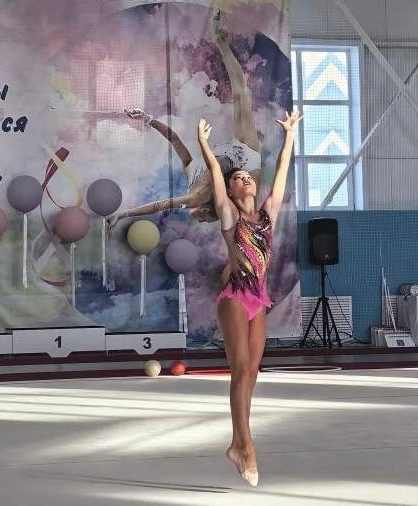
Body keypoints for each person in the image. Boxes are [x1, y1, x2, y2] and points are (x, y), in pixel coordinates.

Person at [197, 110, 302, 487]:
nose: (245, 179)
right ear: (231, 191)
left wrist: (290, 136)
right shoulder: (229, 216)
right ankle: (247, 446)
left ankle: (236, 443)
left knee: (252, 372)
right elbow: (215, 174)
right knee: (240, 368)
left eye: (247, 176)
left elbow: (283, 171)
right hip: (235, 298)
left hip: (259, 298)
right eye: (238, 178)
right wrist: (205, 145)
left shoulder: (268, 215)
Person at [107, 9, 261, 233]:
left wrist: (147, 118)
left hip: (231, 159)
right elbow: (159, 205)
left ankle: (221, 41)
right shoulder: (195, 198)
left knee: (241, 95)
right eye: (204, 220)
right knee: (241, 94)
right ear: (207, 212)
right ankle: (221, 41)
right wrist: (123, 214)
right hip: (245, 158)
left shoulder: (191, 178)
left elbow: (174, 140)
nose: (198, 220)